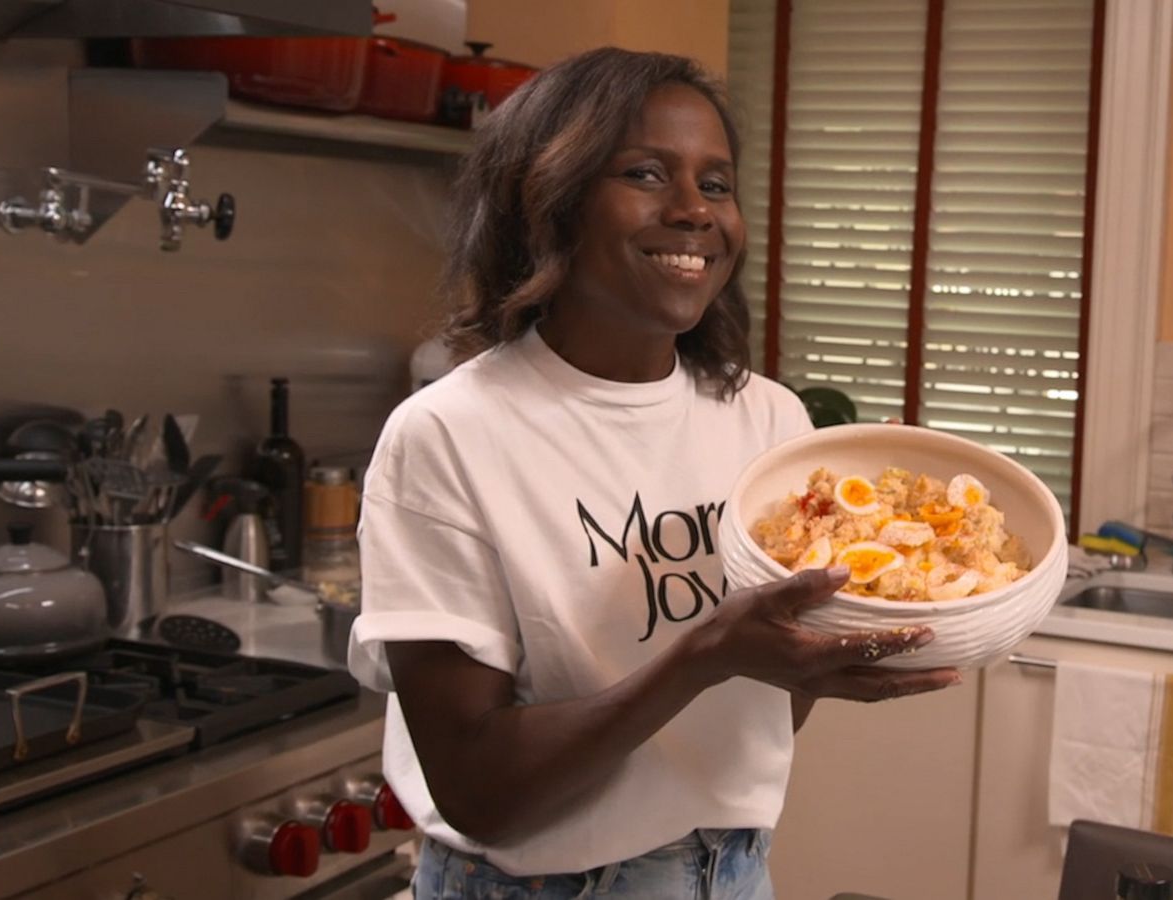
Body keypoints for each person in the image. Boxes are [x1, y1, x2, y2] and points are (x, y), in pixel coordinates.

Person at [347, 47, 961, 899]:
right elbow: (477, 791)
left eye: (716, 185)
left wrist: (812, 660)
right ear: (550, 204)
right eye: (646, 174)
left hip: (732, 873)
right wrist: (704, 653)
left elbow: (757, 721)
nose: (693, 212)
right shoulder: (451, 436)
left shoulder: (769, 423)